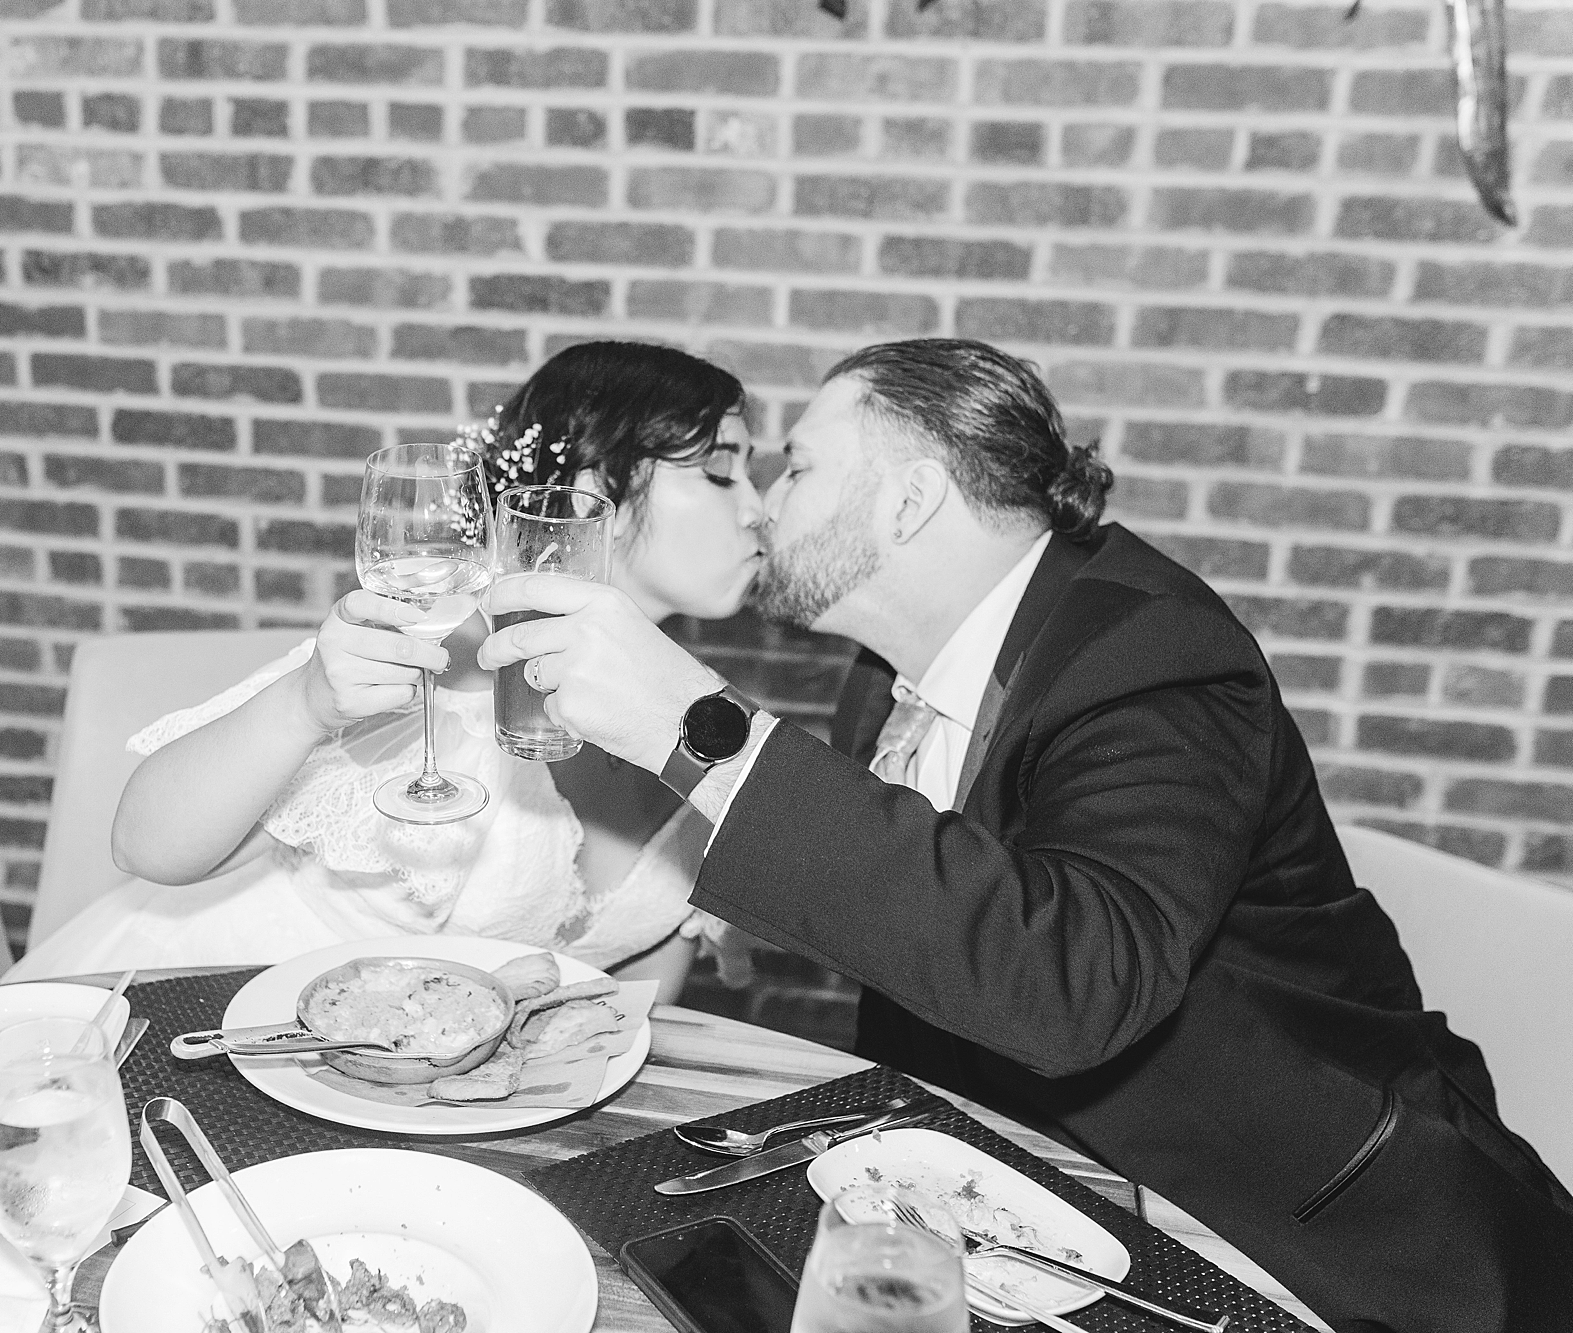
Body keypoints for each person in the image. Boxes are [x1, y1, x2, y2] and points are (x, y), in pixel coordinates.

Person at [478, 338, 1573, 1331]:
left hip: (1309, 1227)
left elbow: (1072, 985)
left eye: (797, 468)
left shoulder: (1153, 658)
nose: (764, 504)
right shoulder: (889, 680)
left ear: (907, 501)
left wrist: (699, 732)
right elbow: (946, 938)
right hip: (1023, 1199)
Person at [7, 341, 764, 998]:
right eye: (723, 473)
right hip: (197, 1023)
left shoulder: (704, 717)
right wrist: (306, 704)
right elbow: (143, 844)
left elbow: (627, 992)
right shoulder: (436, 651)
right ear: (598, 494)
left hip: (411, 1101)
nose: (759, 510)